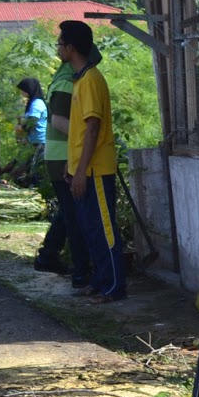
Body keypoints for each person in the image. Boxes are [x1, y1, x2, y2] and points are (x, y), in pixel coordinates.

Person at [57, 21, 125, 303]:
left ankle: (114, 286)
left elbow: (93, 128)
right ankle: (100, 281)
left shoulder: (91, 80)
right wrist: (71, 166)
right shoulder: (80, 79)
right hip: (83, 168)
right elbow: (79, 130)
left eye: (59, 44)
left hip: (95, 169)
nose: (58, 48)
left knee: (103, 229)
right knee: (91, 229)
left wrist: (82, 170)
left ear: (70, 48)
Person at [34, 47, 92, 282]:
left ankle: (48, 256)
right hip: (63, 158)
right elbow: (59, 121)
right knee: (75, 217)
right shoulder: (67, 81)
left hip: (62, 156)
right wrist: (88, 139)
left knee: (69, 213)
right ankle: (81, 273)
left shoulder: (67, 78)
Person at [12, 77, 48, 183]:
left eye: (23, 89)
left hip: (39, 141)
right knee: (25, 163)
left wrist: (22, 128)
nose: (22, 92)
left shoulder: (37, 103)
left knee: (34, 167)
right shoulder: (32, 102)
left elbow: (33, 120)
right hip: (33, 140)